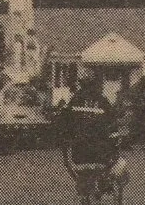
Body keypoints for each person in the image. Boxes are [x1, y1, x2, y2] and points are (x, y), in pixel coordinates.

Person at [57, 75, 126, 204]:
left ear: (81, 85)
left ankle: (87, 194)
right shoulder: (102, 100)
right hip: (100, 151)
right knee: (107, 169)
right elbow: (112, 122)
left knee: (83, 175)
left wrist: (66, 139)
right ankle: (103, 187)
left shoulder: (75, 101)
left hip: (79, 151)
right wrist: (115, 139)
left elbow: (64, 122)